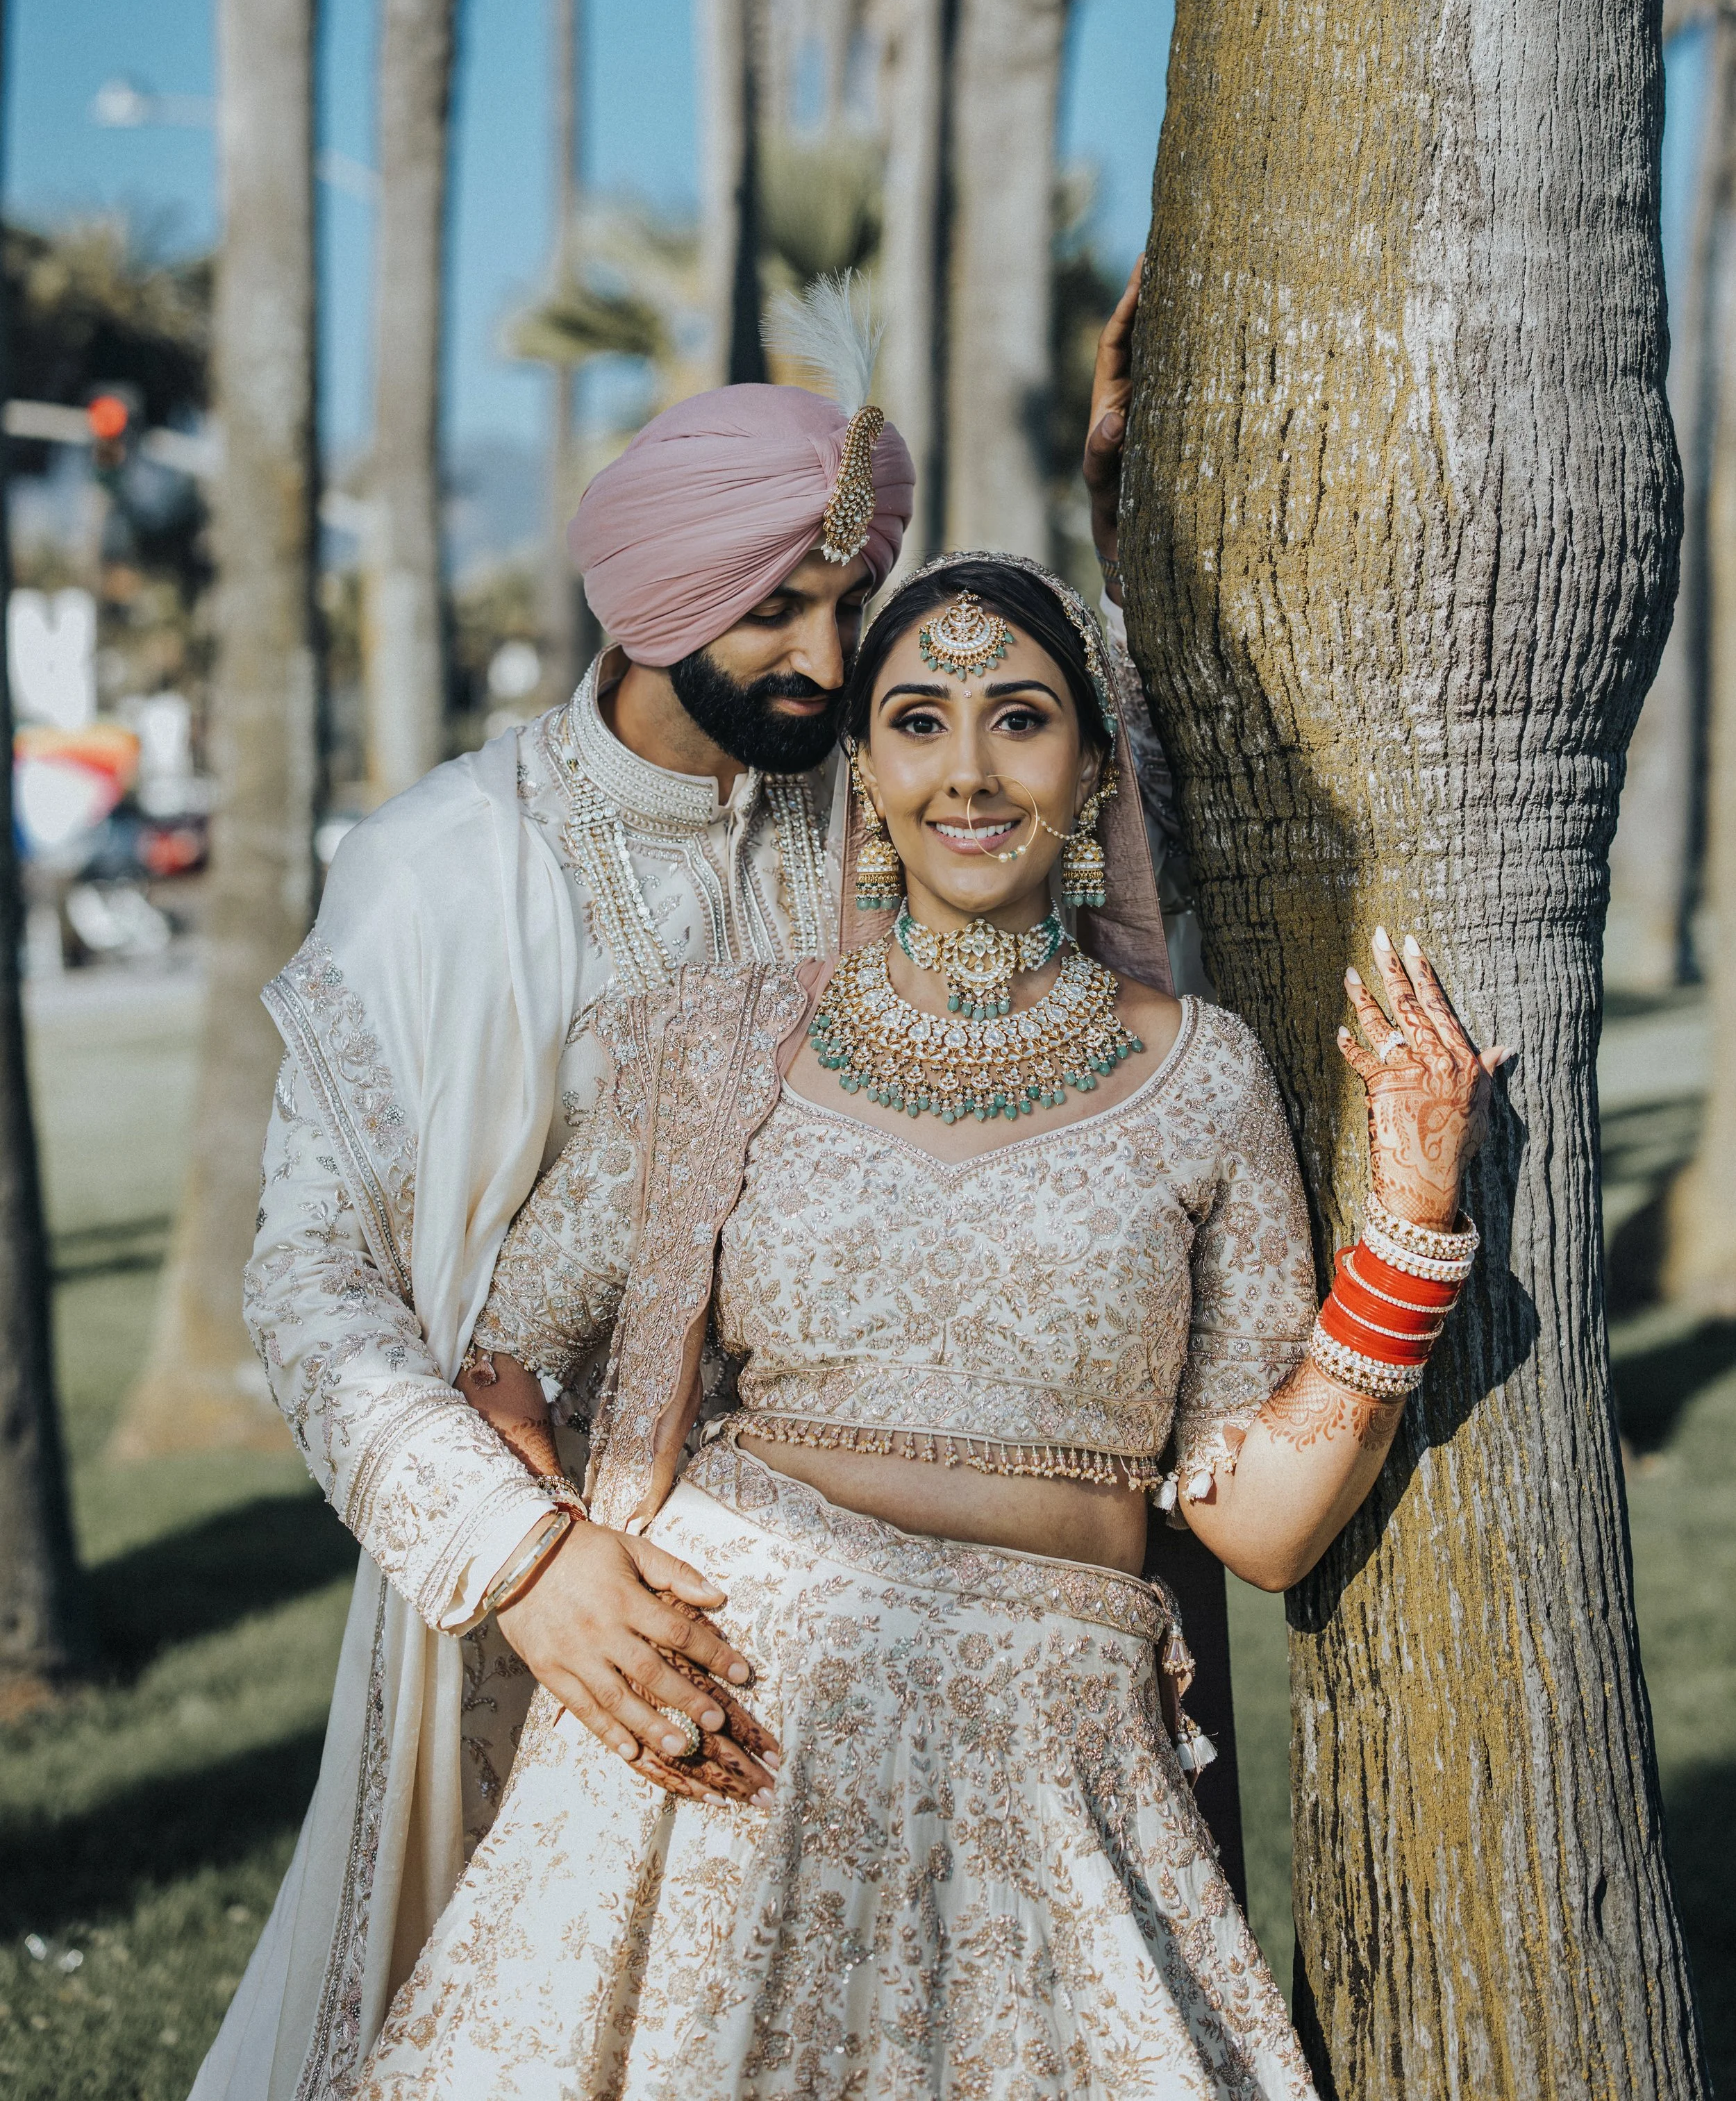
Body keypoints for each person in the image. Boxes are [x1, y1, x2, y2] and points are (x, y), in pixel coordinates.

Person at [352, 552, 1501, 2101]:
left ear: (1091, 769)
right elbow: (502, 1357)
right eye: (915, 719)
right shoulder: (714, 1046)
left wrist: (1412, 1224)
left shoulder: (1201, 1078)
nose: (966, 769)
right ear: (865, 767)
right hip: (729, 1728)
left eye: (1018, 718)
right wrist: (568, 1577)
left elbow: (1266, 1526)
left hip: (1051, 1755)